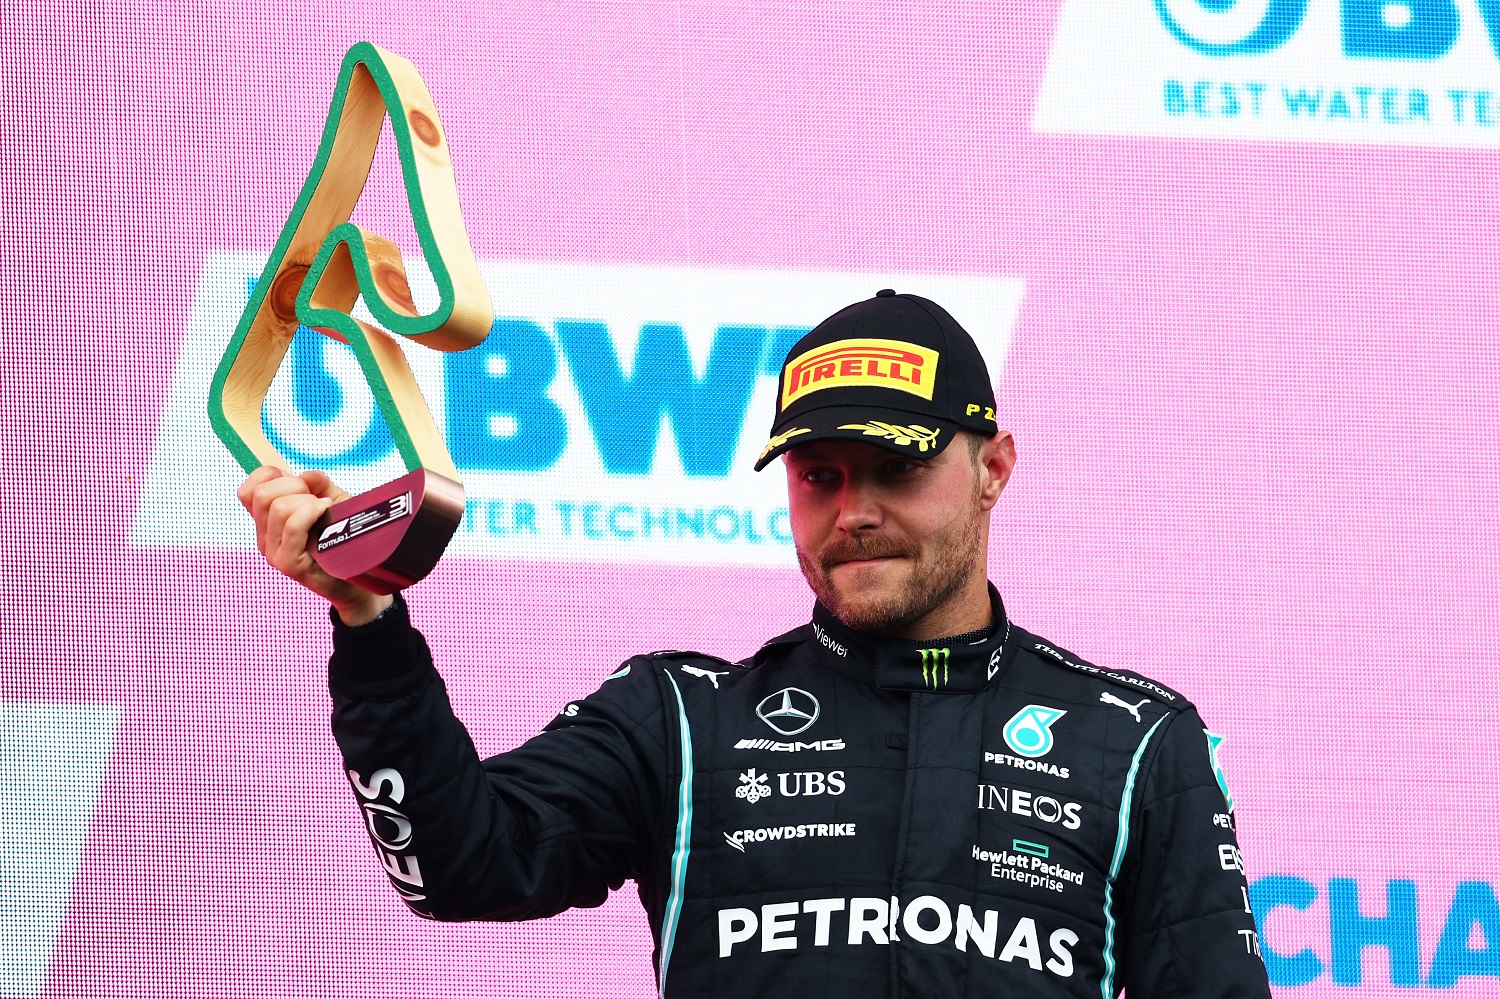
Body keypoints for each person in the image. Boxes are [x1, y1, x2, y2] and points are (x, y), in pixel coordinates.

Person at [239, 290, 1271, 997]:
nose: (853, 510)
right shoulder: (682, 720)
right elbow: (461, 865)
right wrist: (367, 619)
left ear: (995, 464)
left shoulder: (1133, 740)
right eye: (818, 473)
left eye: (894, 467)